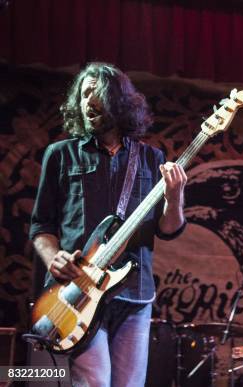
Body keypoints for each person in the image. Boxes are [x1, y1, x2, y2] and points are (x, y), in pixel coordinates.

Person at [30, 63, 187, 386]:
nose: (87, 101)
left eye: (95, 93)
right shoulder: (60, 155)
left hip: (134, 292)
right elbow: (41, 226)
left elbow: (169, 229)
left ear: (119, 101)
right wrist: (53, 257)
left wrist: (175, 197)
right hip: (79, 290)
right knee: (94, 382)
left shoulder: (150, 159)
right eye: (83, 94)